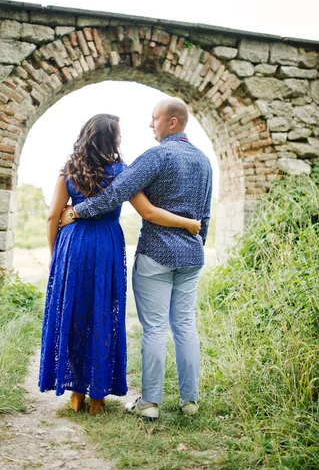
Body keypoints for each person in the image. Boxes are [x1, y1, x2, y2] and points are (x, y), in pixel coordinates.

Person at [38, 113, 202, 415]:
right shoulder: (121, 173)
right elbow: (147, 211)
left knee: (74, 314)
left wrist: (54, 255)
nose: (121, 140)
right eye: (118, 135)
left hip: (72, 245)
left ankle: (75, 393)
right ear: (111, 139)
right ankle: (98, 397)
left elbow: (52, 215)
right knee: (102, 312)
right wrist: (189, 223)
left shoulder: (69, 171)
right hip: (106, 246)